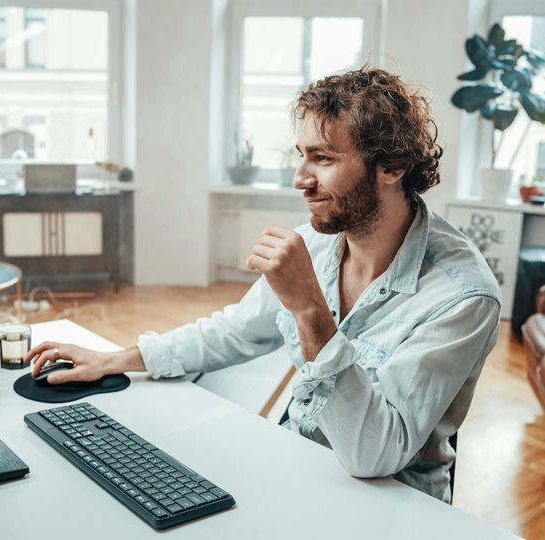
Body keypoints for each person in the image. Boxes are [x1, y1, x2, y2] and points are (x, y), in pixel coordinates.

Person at [26, 67, 501, 503]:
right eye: (301, 156)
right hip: (298, 463)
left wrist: (311, 311)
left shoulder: (462, 295)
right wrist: (119, 359)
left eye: (324, 158)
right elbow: (236, 331)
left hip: (392, 505)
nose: (300, 178)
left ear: (392, 167)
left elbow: (374, 456)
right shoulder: (318, 243)